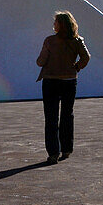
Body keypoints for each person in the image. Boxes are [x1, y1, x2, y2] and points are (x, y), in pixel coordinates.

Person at [36, 10, 90, 165]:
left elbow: (40, 61)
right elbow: (86, 57)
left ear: (60, 24)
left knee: (51, 117)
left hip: (51, 81)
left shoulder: (50, 41)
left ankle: (53, 153)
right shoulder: (77, 41)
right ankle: (66, 149)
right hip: (69, 81)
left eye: (55, 22)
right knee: (67, 114)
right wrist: (77, 66)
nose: (53, 24)